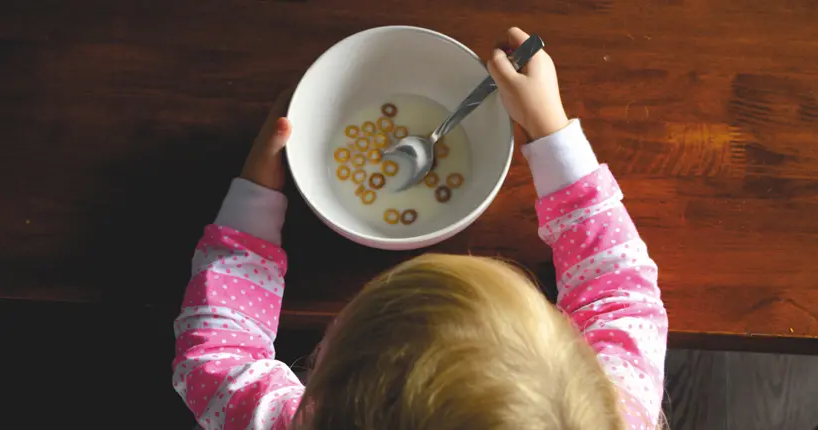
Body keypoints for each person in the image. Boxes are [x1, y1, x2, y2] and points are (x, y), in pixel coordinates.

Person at [173, 27, 668, 430]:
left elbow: (216, 356)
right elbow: (620, 291)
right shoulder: (607, 412)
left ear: (323, 389)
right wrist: (551, 130)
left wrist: (255, 198)